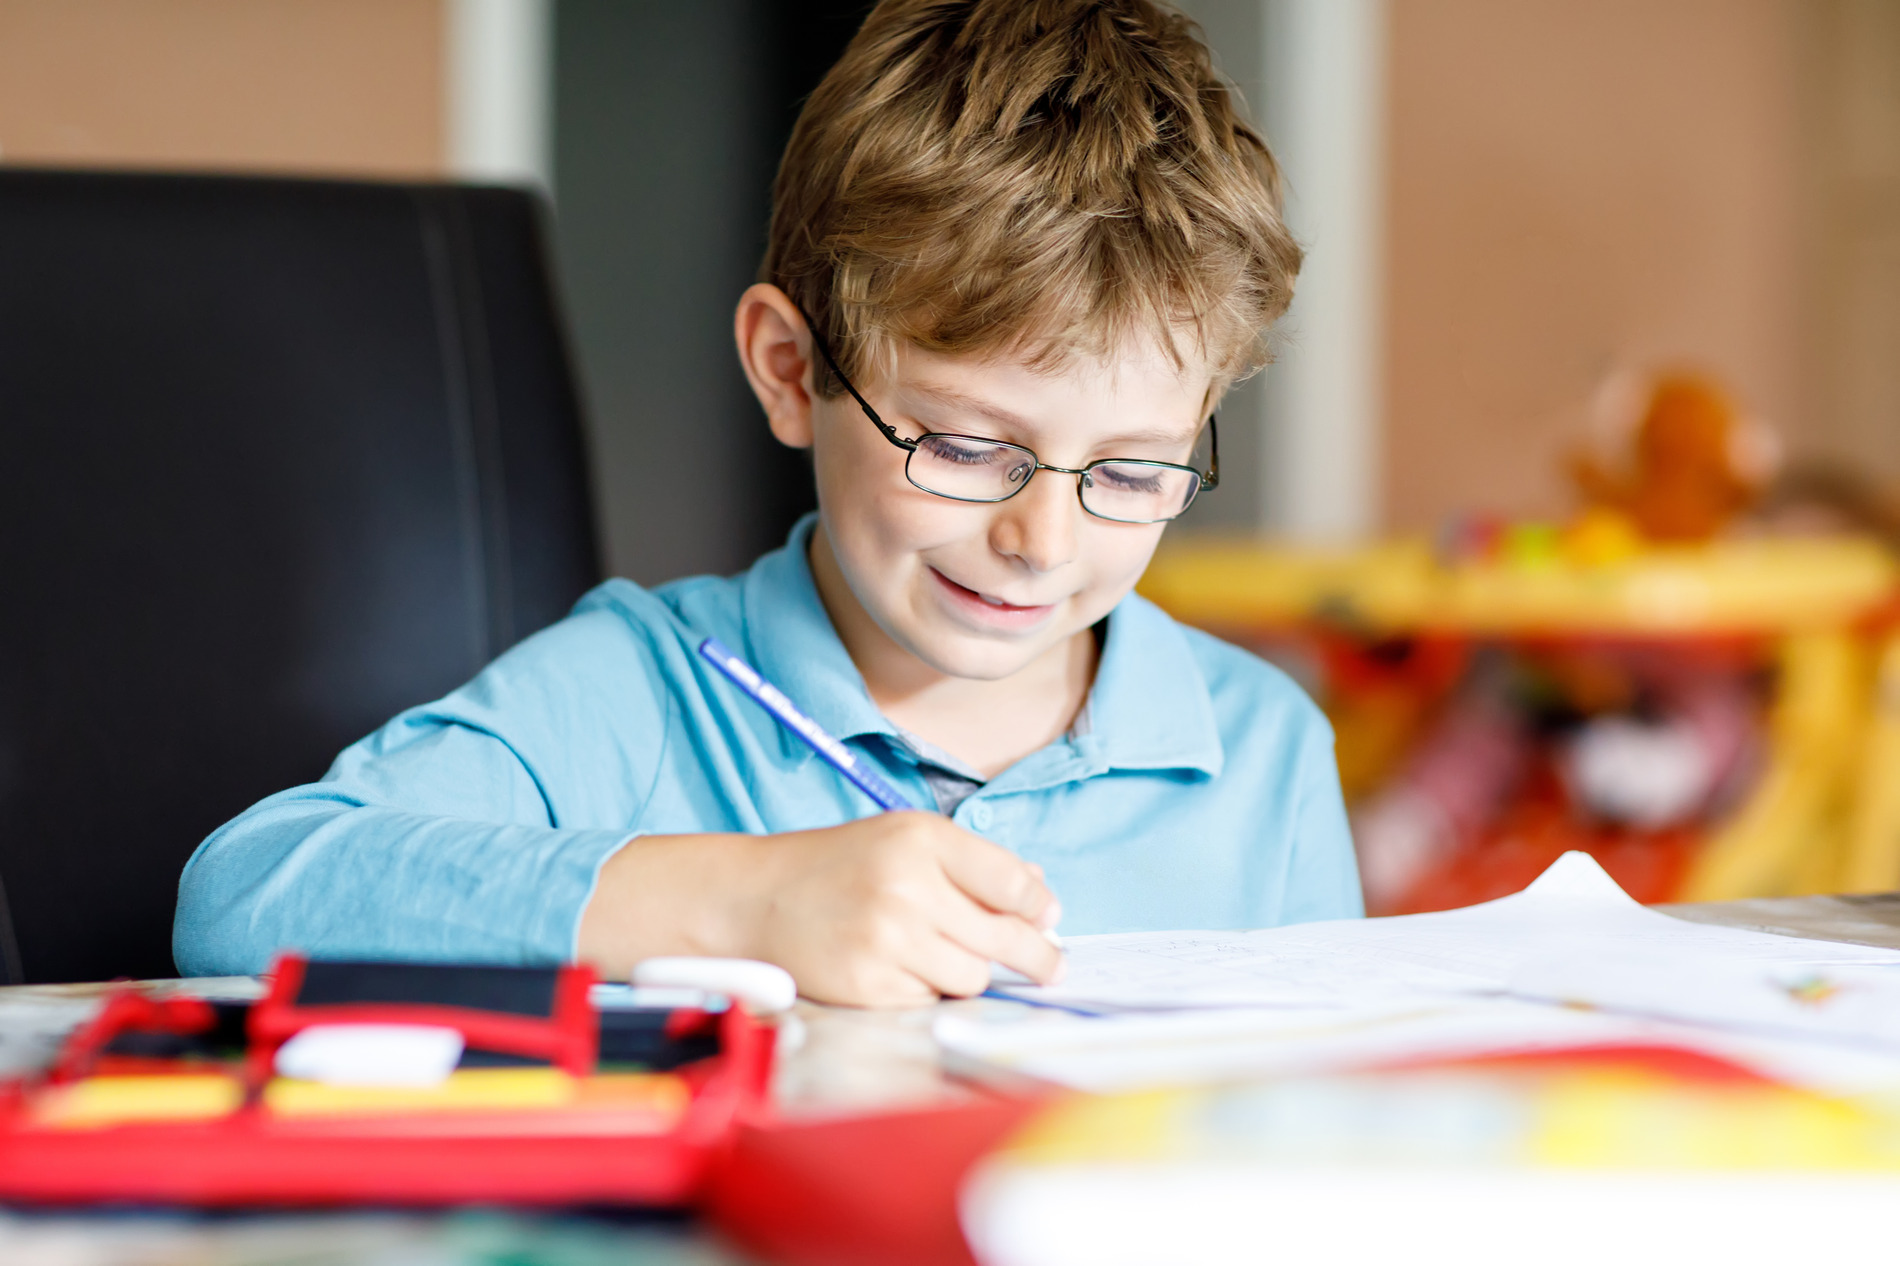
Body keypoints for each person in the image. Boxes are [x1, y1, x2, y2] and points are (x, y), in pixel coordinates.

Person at [173, 0, 1362, 1006]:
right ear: (792, 372)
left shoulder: (1260, 753)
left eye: (1133, 472)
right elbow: (247, 894)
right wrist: (741, 902)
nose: (1040, 543)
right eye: (957, 444)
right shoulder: (633, 695)